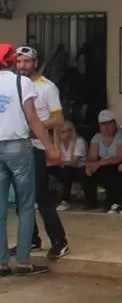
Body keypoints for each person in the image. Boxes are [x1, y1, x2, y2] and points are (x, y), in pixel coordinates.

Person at [0, 43, 61, 275]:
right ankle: (23, 262)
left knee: (1, 209)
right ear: (11, 60)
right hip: (19, 148)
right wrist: (49, 147)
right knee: (26, 206)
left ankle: (2, 263)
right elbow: (33, 119)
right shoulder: (21, 82)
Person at [14, 46, 71, 259]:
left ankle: (59, 240)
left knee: (41, 196)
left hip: (37, 147)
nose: (22, 66)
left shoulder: (47, 88)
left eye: (26, 61)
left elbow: (58, 119)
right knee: (21, 198)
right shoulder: (14, 85)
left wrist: (35, 127)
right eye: (19, 62)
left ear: (35, 63)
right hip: (18, 146)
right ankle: (31, 239)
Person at [85, 109, 122, 212]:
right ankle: (91, 202)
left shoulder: (121, 136)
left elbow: (119, 157)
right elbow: (92, 156)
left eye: (109, 123)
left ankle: (111, 202)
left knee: (111, 173)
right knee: (86, 172)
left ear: (114, 123)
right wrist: (89, 165)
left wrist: (100, 163)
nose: (106, 127)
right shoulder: (97, 137)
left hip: (115, 164)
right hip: (102, 164)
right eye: (103, 124)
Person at [47, 120, 87, 211]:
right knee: (44, 169)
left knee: (66, 169)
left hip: (78, 170)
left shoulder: (79, 141)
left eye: (69, 130)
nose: (67, 134)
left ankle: (65, 201)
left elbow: (74, 162)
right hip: (64, 168)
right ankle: (43, 198)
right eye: (63, 132)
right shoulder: (58, 144)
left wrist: (58, 163)